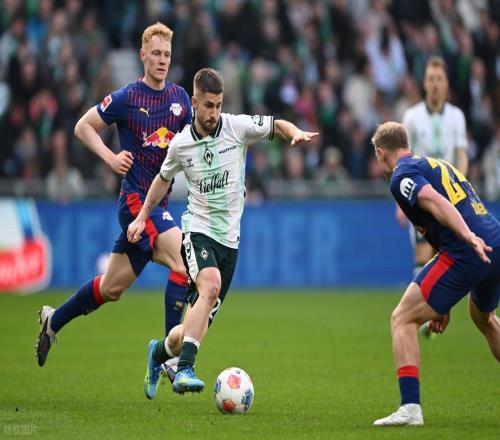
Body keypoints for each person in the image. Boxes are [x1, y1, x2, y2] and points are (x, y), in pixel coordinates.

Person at [127, 67, 318, 398]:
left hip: (230, 242)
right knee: (211, 285)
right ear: (194, 103)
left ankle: (158, 353)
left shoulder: (236, 127)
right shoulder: (181, 144)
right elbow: (161, 180)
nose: (214, 113)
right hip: (197, 231)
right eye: (208, 106)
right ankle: (185, 369)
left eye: (218, 105)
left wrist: (295, 132)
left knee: (186, 330)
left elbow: (275, 124)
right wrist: (142, 217)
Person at [36, 22, 192, 368]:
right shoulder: (127, 98)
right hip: (135, 201)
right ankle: (171, 360)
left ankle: (53, 320)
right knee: (183, 262)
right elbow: (82, 127)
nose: (162, 60)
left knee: (111, 289)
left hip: (159, 204)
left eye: (166, 54)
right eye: (156, 53)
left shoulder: (180, 99)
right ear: (142, 56)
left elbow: (194, 143)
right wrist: (110, 158)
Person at [371, 121, 500, 427]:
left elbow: (436, 202)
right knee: (483, 318)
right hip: (495, 243)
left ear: (381, 153)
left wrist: (468, 237)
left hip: (469, 249)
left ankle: (410, 408)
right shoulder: (436, 164)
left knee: (402, 318)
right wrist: (444, 301)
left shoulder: (401, 175)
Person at [401, 56, 469, 337]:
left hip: (449, 196)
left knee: (445, 253)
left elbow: (461, 154)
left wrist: (460, 185)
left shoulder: (457, 116)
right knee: (422, 253)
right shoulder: (412, 117)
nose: (435, 84)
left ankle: (433, 310)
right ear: (424, 83)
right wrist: (400, 200)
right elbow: (403, 159)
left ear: (447, 84)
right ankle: (421, 313)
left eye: (439, 79)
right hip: (419, 195)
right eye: (431, 78)